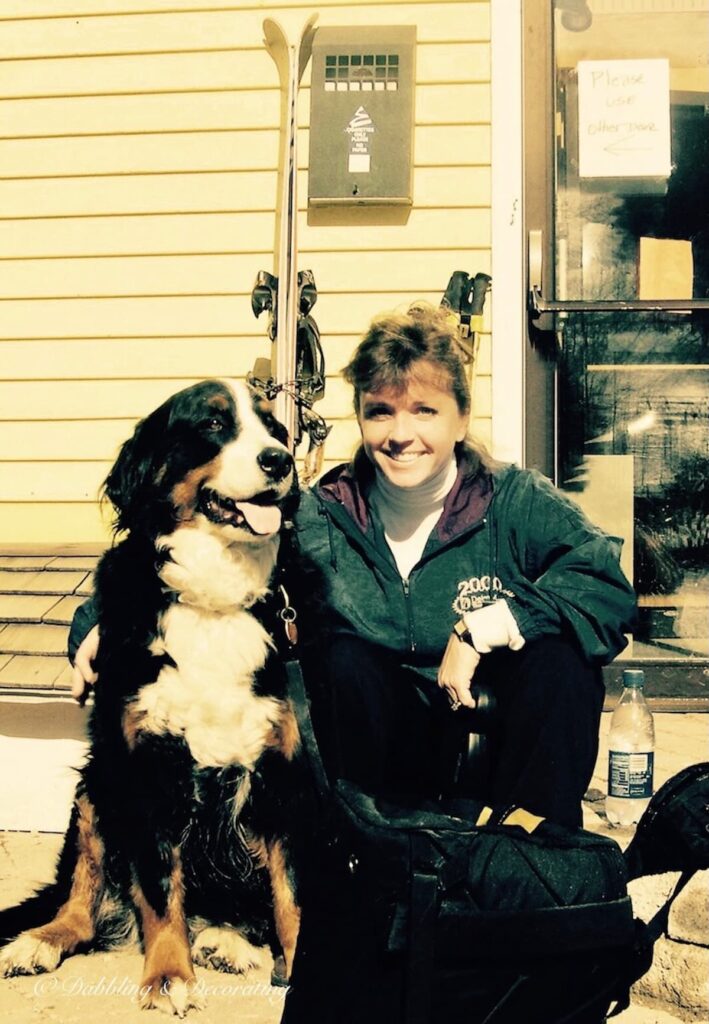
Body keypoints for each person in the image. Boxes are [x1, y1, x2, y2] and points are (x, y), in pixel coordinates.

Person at [70, 304, 636, 829]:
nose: (399, 434)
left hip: (495, 750)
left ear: (461, 419)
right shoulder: (322, 513)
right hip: (383, 764)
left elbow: (605, 586)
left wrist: (484, 626)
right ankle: (375, 855)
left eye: (424, 411)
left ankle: (536, 868)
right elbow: (203, 556)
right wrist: (99, 621)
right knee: (341, 658)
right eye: (380, 411)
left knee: (563, 659)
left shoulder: (513, 500)